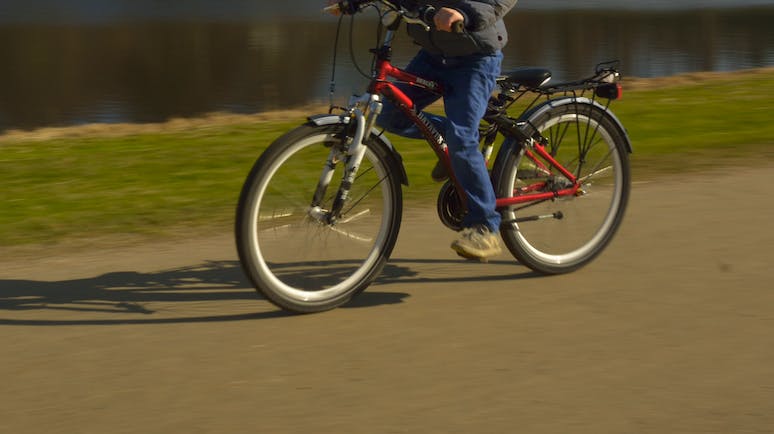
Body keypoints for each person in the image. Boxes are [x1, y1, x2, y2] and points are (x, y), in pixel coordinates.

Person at [329, 0, 518, 260]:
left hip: (476, 57)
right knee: (390, 113)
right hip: (433, 56)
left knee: (462, 137)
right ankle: (455, 149)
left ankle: (486, 227)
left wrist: (465, 13)